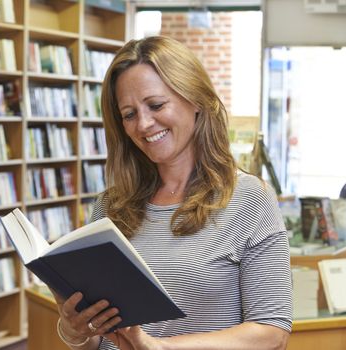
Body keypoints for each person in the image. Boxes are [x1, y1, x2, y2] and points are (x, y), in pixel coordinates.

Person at [52, 36, 292, 350]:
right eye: (129, 115)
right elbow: (103, 341)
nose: (144, 124)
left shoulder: (249, 199)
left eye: (155, 105)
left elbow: (271, 333)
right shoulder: (110, 205)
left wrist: (161, 347)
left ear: (195, 99)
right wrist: (76, 331)